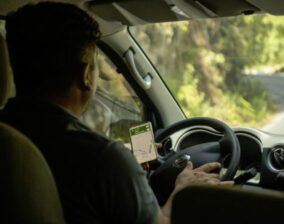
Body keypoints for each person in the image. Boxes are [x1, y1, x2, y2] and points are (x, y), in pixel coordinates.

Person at [0, 2, 229, 224]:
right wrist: (182, 190)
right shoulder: (103, 159)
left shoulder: (9, 135)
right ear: (86, 75)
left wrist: (125, 164)